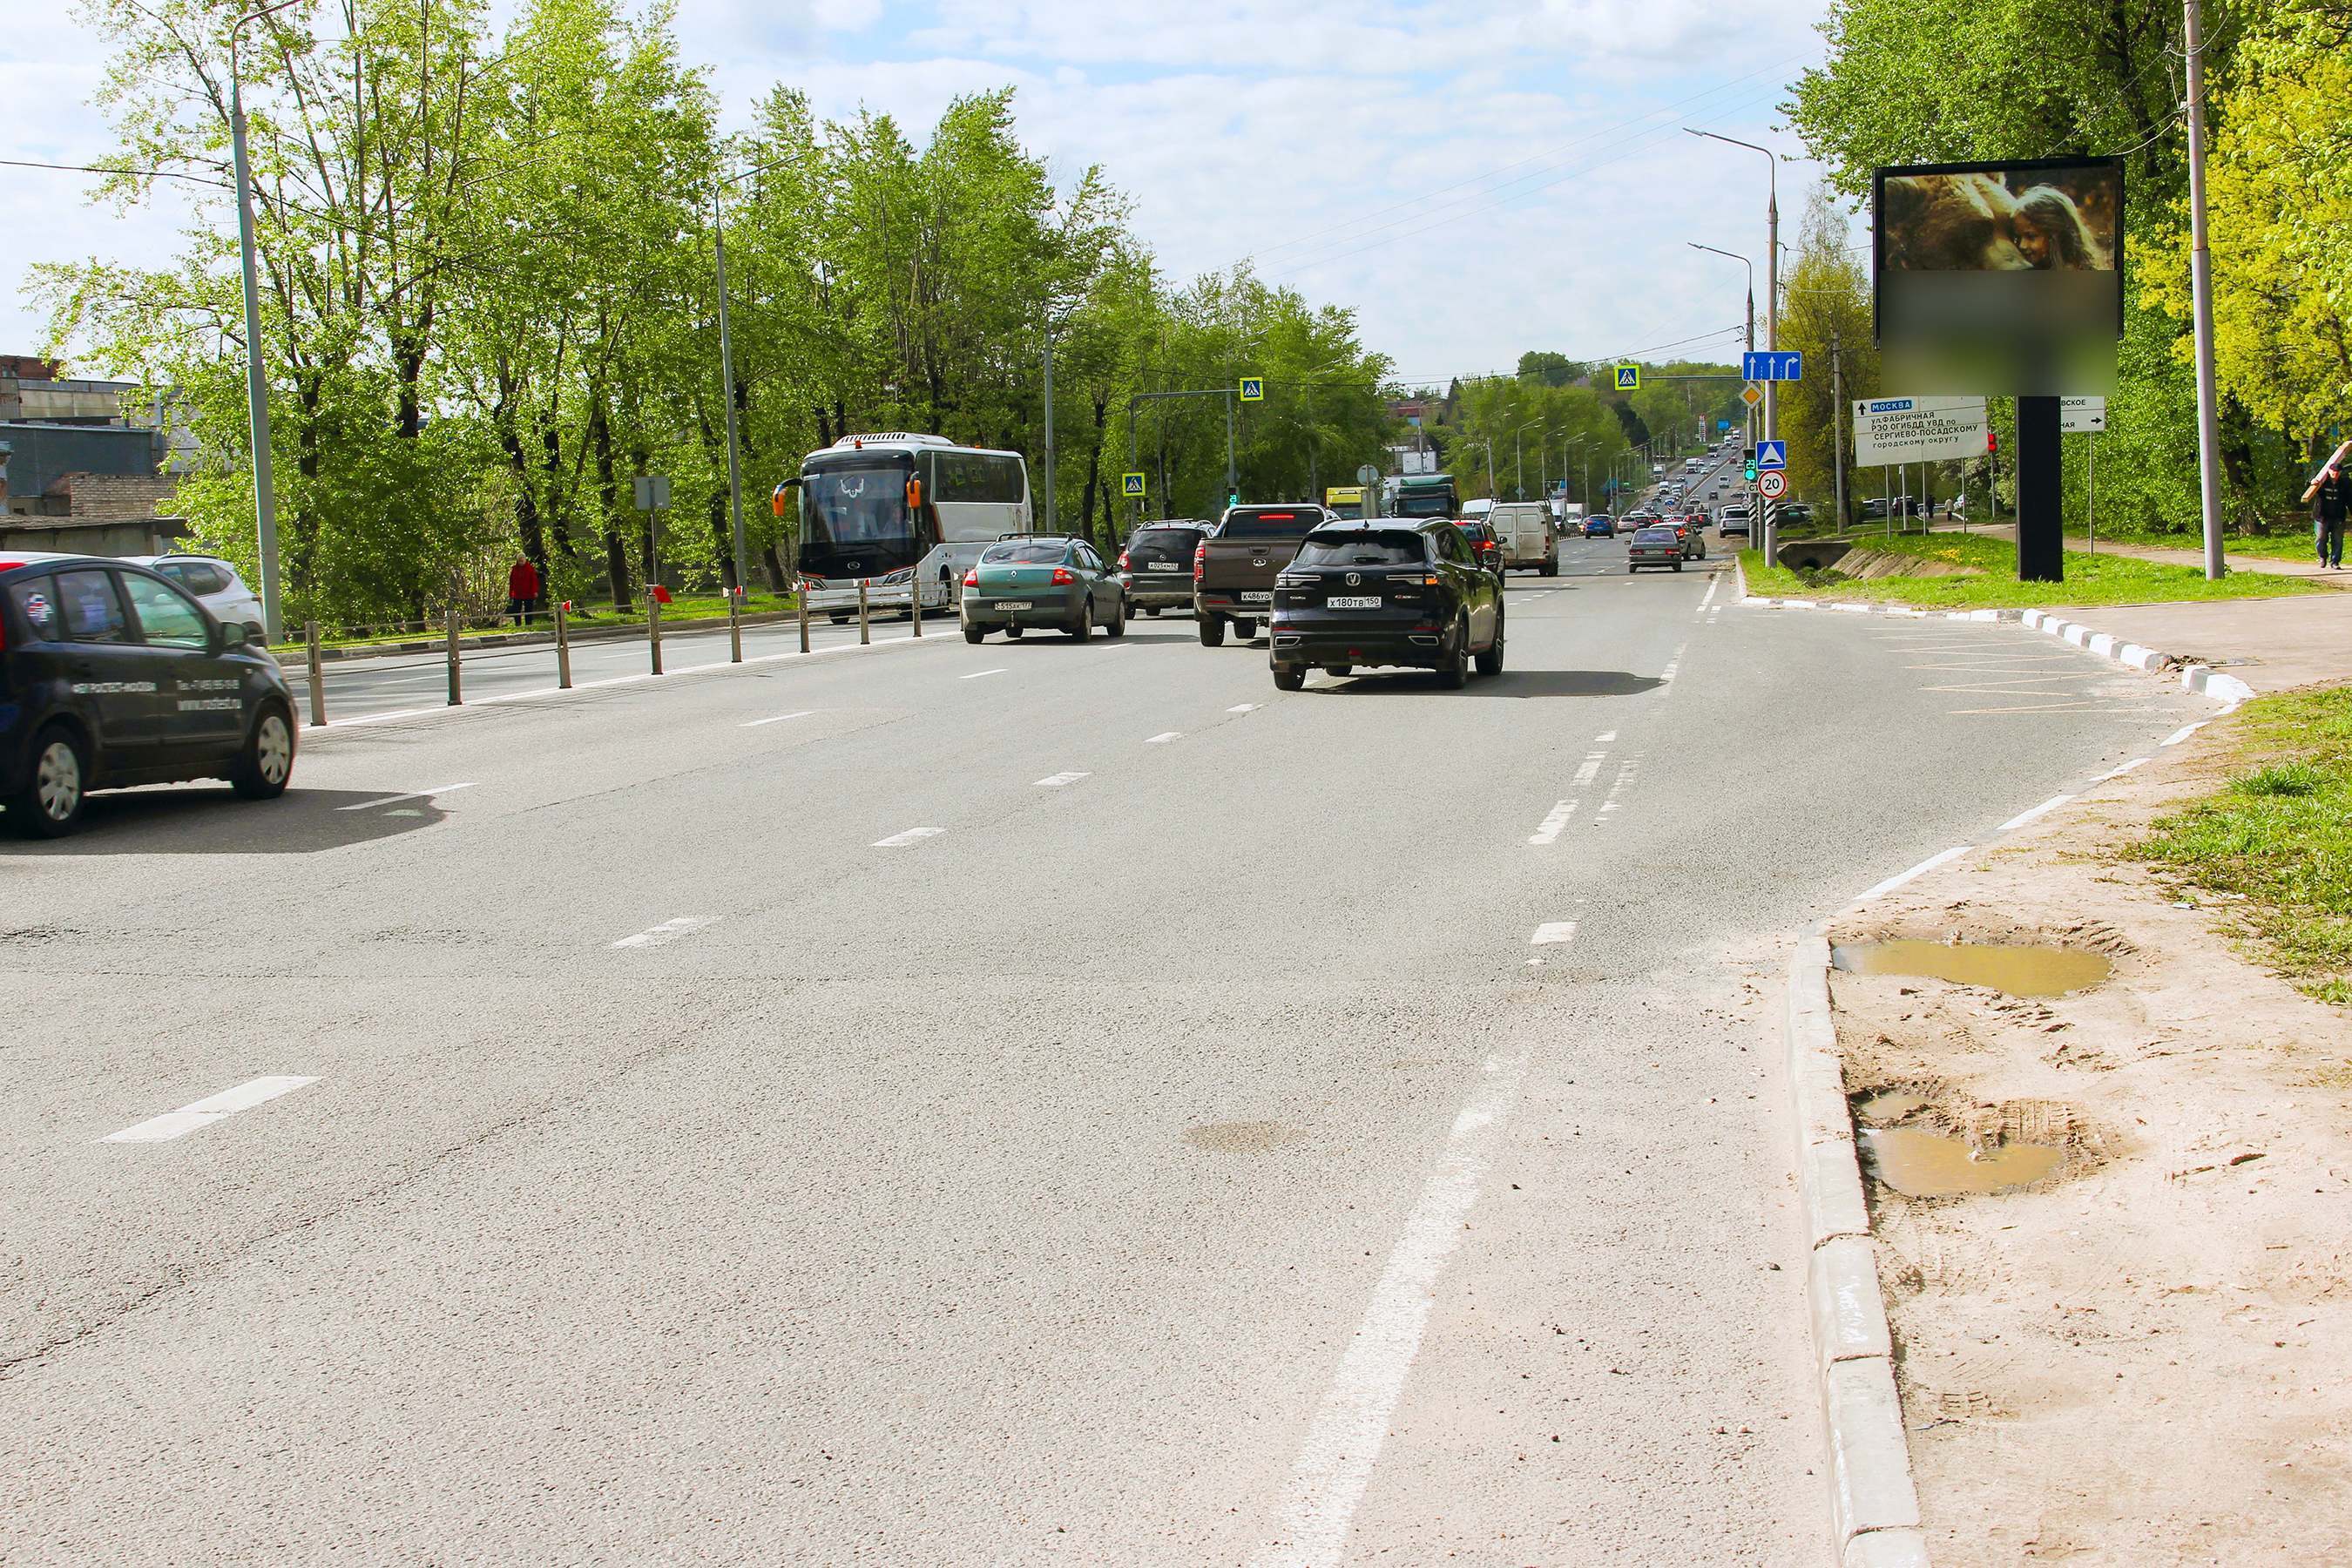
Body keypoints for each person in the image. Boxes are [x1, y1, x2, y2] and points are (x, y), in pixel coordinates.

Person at [2302, 440, 2350, 570]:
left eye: (2337, 472)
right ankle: (2322, 557)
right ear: (2329, 471)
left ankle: (2335, 562)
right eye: (2333, 472)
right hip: (2322, 516)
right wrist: (2311, 481)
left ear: (2340, 473)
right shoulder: (2322, 481)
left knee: (2338, 540)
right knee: (2320, 538)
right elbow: (2310, 486)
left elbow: (2349, 499)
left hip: (2338, 516)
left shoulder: (2345, 483)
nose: (2335, 474)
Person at [506, 555, 542, 624]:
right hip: (517, 593)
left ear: (525, 560)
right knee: (516, 609)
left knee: (528, 609)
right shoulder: (515, 569)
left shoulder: (530, 569)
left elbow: (534, 581)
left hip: (528, 592)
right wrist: (511, 592)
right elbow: (512, 581)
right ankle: (518, 624)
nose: (521, 562)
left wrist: (535, 591)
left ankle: (528, 624)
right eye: (519, 561)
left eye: (522, 561)